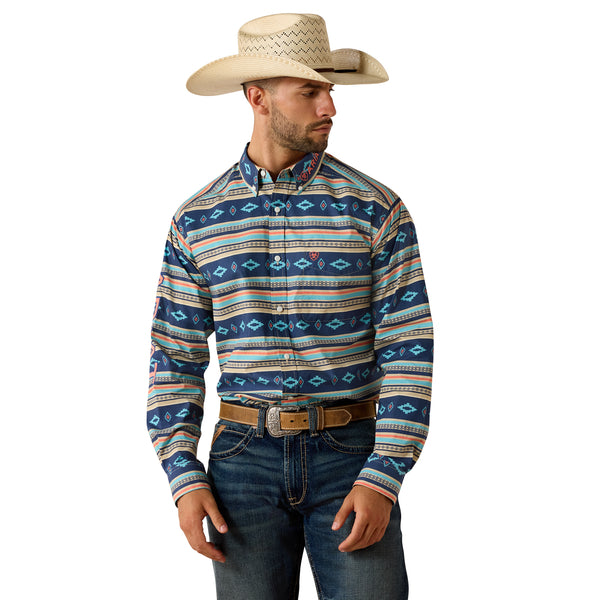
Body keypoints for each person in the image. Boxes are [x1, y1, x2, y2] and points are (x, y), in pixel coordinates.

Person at [148, 13, 433, 600]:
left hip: (352, 457)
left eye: (329, 90)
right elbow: (173, 357)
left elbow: (409, 346)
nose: (331, 107)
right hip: (240, 464)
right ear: (258, 98)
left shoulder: (376, 209)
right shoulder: (196, 220)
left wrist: (384, 474)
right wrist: (183, 475)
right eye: (310, 92)